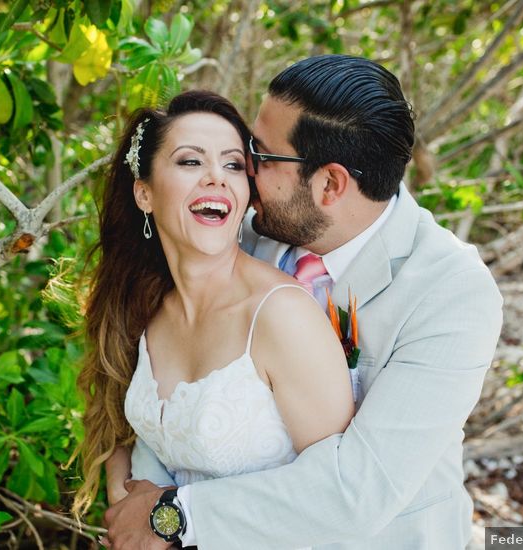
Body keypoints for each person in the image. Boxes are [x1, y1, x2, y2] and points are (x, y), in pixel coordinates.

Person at [103, 55, 503, 549]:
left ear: (330, 184)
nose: (242, 171)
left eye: (262, 157)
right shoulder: (247, 230)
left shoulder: (450, 291)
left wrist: (173, 517)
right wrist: (132, 486)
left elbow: (359, 489)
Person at [72, 90, 356, 542]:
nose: (216, 179)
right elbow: (120, 430)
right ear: (144, 193)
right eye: (190, 162)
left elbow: (337, 499)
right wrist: (123, 503)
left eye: (232, 165)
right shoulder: (141, 303)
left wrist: (164, 522)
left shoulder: (281, 315)